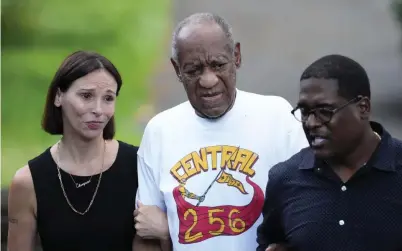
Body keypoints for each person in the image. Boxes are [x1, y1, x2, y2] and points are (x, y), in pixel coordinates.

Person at [133, 13, 308, 251]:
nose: (208, 80)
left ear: (236, 56)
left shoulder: (278, 117)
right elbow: (147, 235)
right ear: (176, 69)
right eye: (194, 70)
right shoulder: (159, 131)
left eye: (218, 65)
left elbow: (311, 207)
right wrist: (165, 231)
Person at [256, 54, 402, 251]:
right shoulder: (285, 179)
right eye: (305, 111)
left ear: (363, 108)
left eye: (325, 111)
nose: (311, 123)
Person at [7, 50, 160, 251]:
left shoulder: (140, 165)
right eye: (86, 96)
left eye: (108, 98)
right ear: (58, 96)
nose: (98, 109)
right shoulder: (28, 182)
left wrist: (164, 228)